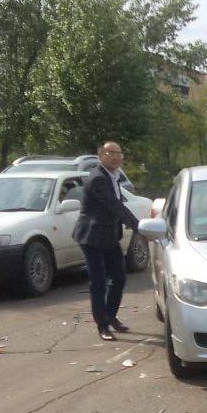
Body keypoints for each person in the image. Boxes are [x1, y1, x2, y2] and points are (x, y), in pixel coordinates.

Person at [73, 141, 141, 341]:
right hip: (91, 237)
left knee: (119, 277)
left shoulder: (115, 177)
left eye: (119, 153)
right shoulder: (98, 179)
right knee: (99, 282)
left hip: (109, 236)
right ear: (101, 155)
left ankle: (110, 316)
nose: (116, 157)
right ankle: (102, 325)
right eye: (111, 153)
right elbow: (115, 206)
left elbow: (117, 206)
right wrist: (138, 226)